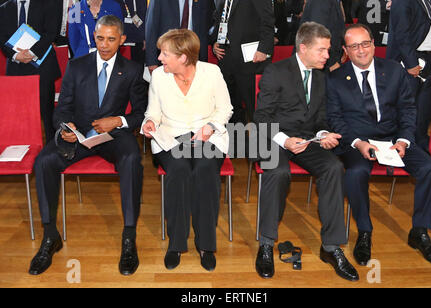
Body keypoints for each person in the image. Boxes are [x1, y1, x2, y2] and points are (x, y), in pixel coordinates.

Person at [28, 15, 147, 276]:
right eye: (100, 38)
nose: (104, 44)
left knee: (132, 160)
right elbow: (62, 108)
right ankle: (50, 236)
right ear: (94, 36)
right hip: (79, 135)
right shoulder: (76, 65)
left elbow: (140, 113)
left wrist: (117, 120)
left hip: (113, 135)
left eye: (111, 39)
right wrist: (65, 128)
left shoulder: (132, 70)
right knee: (44, 161)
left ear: (122, 40)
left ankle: (129, 237)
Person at [327, 24, 431, 268]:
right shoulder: (335, 79)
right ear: (345, 50)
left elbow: (408, 110)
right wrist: (358, 143)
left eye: (365, 44)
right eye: (354, 46)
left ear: (373, 44)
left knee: (430, 169)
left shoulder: (393, 70)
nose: (361, 50)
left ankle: (420, 232)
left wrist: (403, 141)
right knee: (356, 173)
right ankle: (364, 232)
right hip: (357, 141)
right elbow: (335, 119)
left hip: (394, 138)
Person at [253, 22, 359, 281]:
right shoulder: (275, 71)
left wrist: (323, 135)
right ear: (303, 48)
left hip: (307, 140)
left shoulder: (322, 76)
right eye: (322, 50)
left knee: (334, 167)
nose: (328, 56)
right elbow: (261, 117)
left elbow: (321, 118)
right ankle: (266, 244)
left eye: (328, 50)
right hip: (272, 137)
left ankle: (331, 248)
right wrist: (285, 140)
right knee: (277, 172)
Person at [141, 29, 233, 272]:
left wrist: (210, 127)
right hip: (171, 136)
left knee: (204, 169)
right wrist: (149, 123)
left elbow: (225, 109)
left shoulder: (211, 72)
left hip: (208, 135)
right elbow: (153, 112)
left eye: (165, 53)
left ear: (183, 57)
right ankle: (177, 242)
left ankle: (206, 245)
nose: (159, 58)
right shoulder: (159, 76)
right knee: (179, 170)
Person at [0, 0, 61, 143]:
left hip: (42, 66)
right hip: (16, 67)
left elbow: (51, 32)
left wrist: (32, 53)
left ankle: (50, 150)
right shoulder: (4, 8)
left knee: (45, 113)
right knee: (18, 114)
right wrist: (15, 55)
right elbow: (1, 37)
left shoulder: (48, 4)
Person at [387, 0, 431, 152]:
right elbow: (401, 34)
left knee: (423, 109)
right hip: (409, 61)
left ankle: (420, 143)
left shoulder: (428, 1)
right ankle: (400, 145)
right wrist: (411, 63)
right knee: (406, 107)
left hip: (428, 58)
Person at [212, 0, 274, 124]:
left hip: (250, 57)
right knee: (229, 102)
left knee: (253, 103)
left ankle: (263, 140)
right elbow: (221, 20)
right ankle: (235, 139)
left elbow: (267, 21)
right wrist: (216, 42)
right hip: (226, 55)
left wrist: (263, 49)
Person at [145, 0, 214, 74]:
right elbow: (151, 28)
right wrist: (151, 61)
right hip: (167, 57)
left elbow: (208, 25)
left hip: (193, 56)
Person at [297, 0, 346, 71]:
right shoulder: (321, 2)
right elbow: (317, 36)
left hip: (327, 62)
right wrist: (331, 66)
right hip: (322, 65)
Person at [118, 0, 147, 65]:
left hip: (137, 40)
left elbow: (139, 18)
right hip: (119, 40)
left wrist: (144, 36)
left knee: (136, 69)